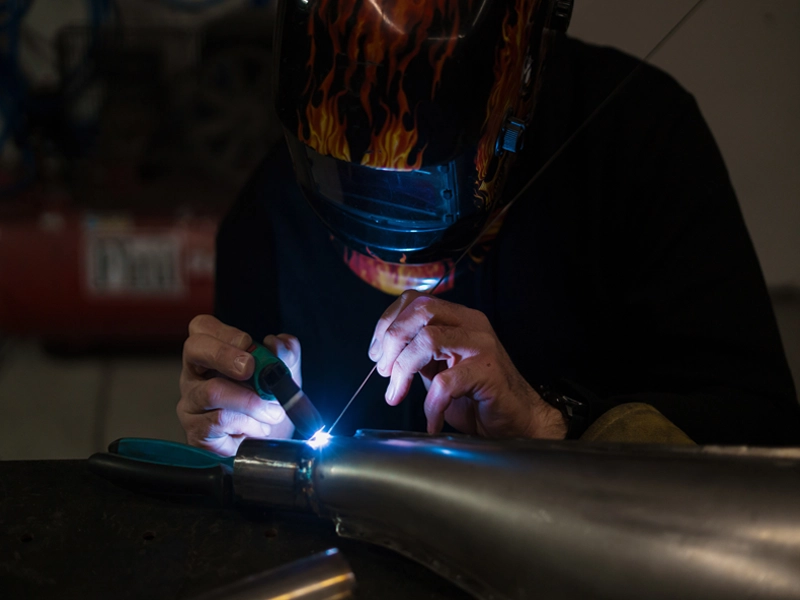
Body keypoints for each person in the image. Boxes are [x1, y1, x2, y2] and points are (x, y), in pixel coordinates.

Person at [178, 0, 800, 457]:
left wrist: (548, 424)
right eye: (346, 171)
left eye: (422, 179)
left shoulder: (641, 138)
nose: (388, 209)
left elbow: (765, 441)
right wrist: (248, 441)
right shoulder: (270, 206)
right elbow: (246, 458)